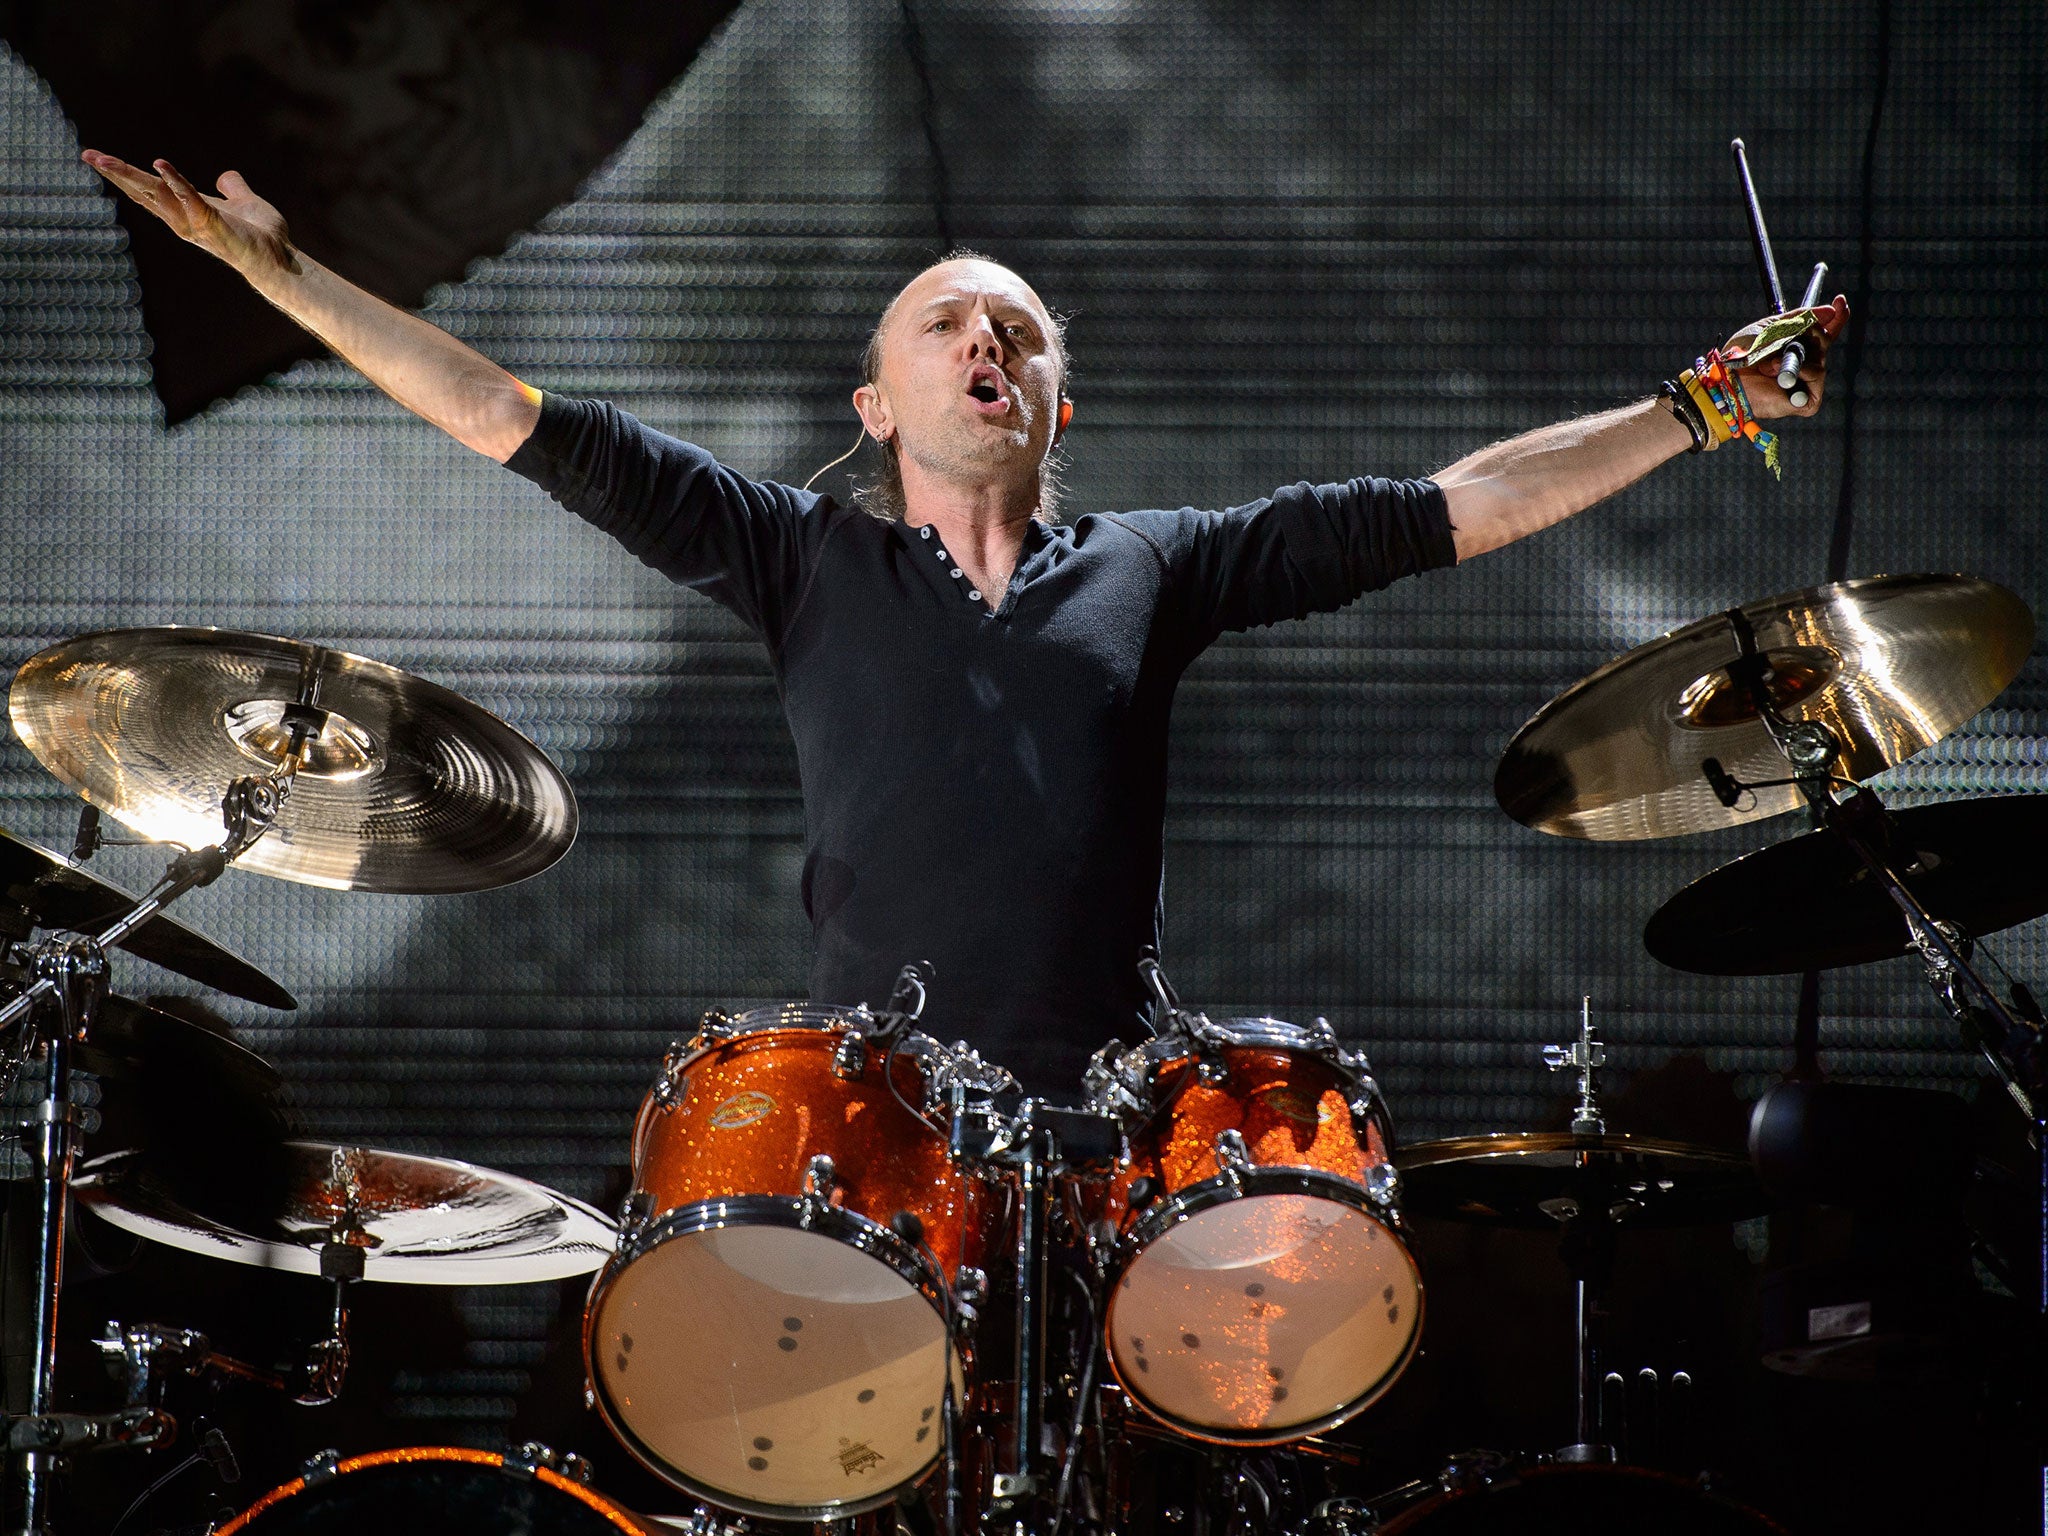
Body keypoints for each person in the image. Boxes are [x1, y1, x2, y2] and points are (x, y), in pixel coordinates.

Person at [79, 150, 1847, 1094]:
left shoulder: (1166, 565)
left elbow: (1467, 504)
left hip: (1111, 1113)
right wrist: (287, 279)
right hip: (872, 1112)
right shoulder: (791, 556)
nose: (985, 342)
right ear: (875, 402)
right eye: (944, 325)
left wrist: (1698, 403)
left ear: (1056, 406)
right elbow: (505, 416)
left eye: (1016, 330)